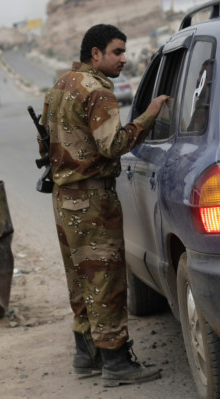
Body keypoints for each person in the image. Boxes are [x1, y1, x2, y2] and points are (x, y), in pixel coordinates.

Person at [38, 24, 168, 387]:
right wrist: (150, 115)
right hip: (93, 198)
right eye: (116, 52)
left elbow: (44, 143)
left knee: (81, 279)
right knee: (107, 279)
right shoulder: (98, 91)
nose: (123, 59)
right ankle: (116, 362)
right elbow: (113, 145)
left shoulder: (59, 87)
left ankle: (87, 355)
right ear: (96, 54)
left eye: (124, 52)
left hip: (65, 198)